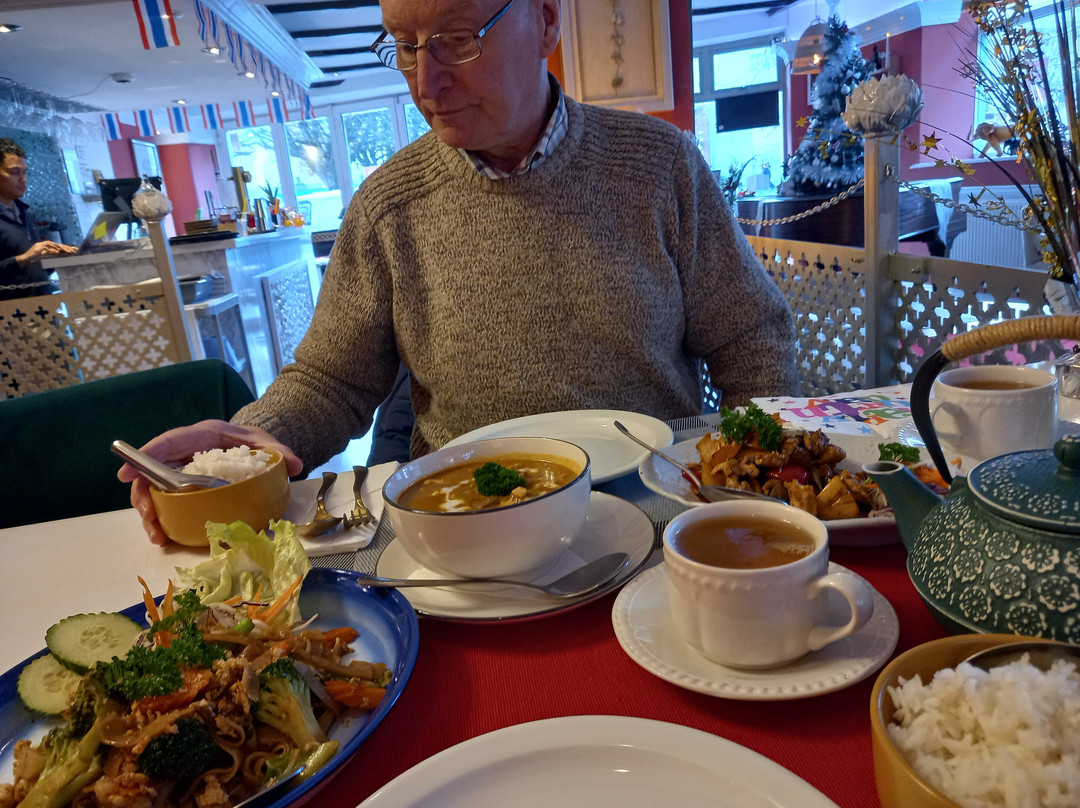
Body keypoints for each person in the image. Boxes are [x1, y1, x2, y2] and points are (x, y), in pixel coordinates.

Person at [120, 0, 800, 545]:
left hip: (658, 518)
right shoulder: (389, 205)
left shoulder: (660, 165)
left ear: (546, 21)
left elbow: (750, 337)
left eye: (455, 39)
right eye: (404, 45)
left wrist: (754, 483)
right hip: (464, 531)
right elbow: (333, 379)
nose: (425, 81)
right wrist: (244, 449)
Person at [0, 138, 77, 301]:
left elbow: (31, 268)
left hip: (43, 306)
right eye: (14, 172)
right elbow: (23, 261)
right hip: (11, 313)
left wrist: (53, 257)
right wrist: (23, 258)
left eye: (24, 172)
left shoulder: (25, 212)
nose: (23, 179)